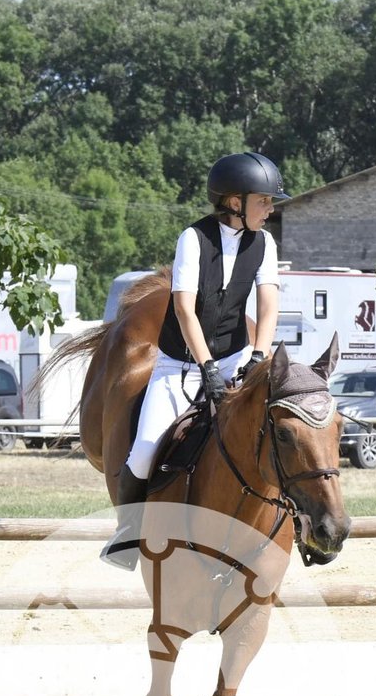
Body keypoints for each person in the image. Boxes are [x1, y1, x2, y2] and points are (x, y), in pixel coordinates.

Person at [102, 151, 288, 569]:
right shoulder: (194, 238)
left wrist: (258, 355)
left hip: (237, 357)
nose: (270, 209)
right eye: (263, 201)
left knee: (279, 432)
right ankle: (127, 536)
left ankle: (302, 522)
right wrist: (206, 367)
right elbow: (184, 310)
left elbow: (269, 306)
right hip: (180, 366)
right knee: (143, 452)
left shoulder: (265, 243)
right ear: (235, 202)